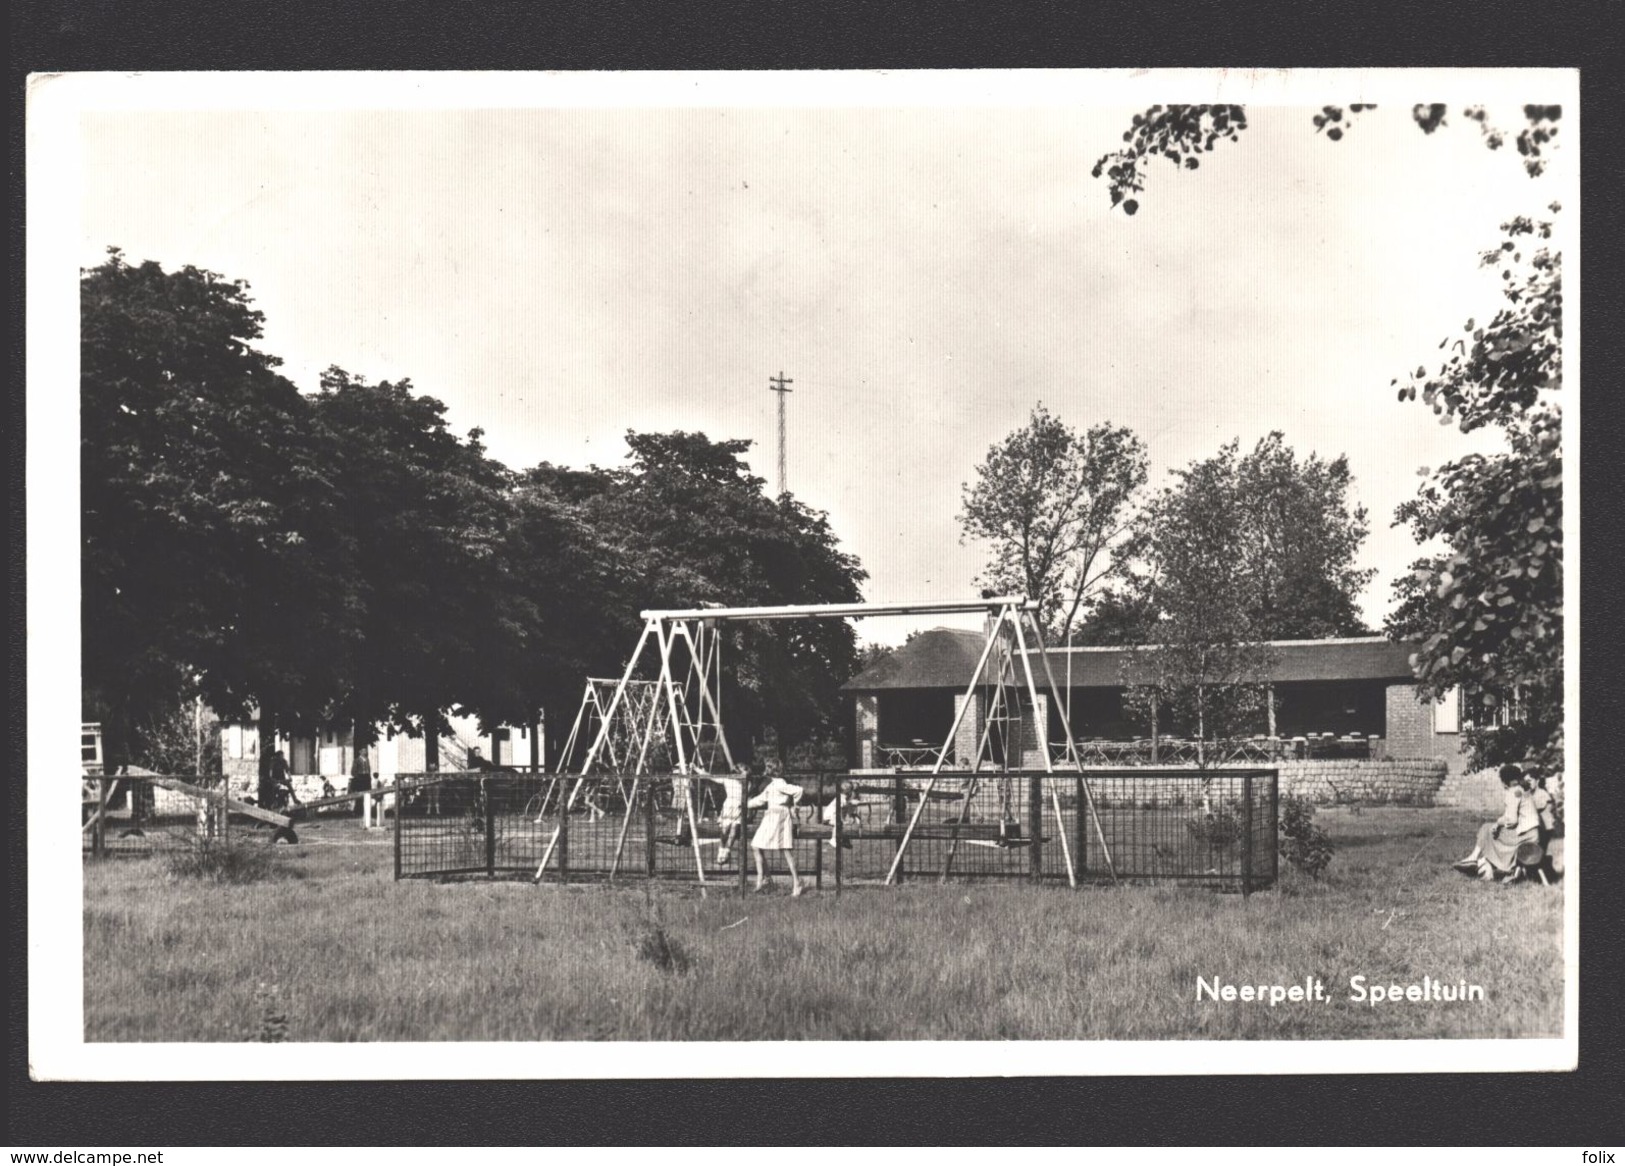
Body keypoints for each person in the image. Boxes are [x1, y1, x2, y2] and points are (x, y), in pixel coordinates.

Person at [1453, 764, 1540, 881]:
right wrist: (1498, 824)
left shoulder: (1513, 792)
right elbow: (1512, 816)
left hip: (1524, 837)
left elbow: (1511, 820)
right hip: (1533, 836)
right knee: (1492, 830)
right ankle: (1482, 862)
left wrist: (1498, 823)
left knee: (1486, 828)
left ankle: (1475, 858)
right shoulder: (1523, 790)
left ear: (1504, 782)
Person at [748, 762, 805, 896]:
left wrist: (795, 805)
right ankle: (763, 879)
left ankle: (797, 883)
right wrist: (744, 805)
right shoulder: (772, 785)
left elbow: (799, 790)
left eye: (767, 768)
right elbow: (761, 800)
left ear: (770, 771)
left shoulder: (780, 783)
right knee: (756, 846)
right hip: (770, 817)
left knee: (785, 849)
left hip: (780, 817)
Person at [713, 766, 747, 865]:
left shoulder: (746, 783)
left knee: (733, 832)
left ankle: (726, 854)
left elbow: (748, 797)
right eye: (744, 772)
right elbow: (711, 777)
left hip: (738, 808)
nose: (745, 775)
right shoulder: (728, 780)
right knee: (724, 831)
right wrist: (697, 769)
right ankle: (721, 851)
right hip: (728, 808)